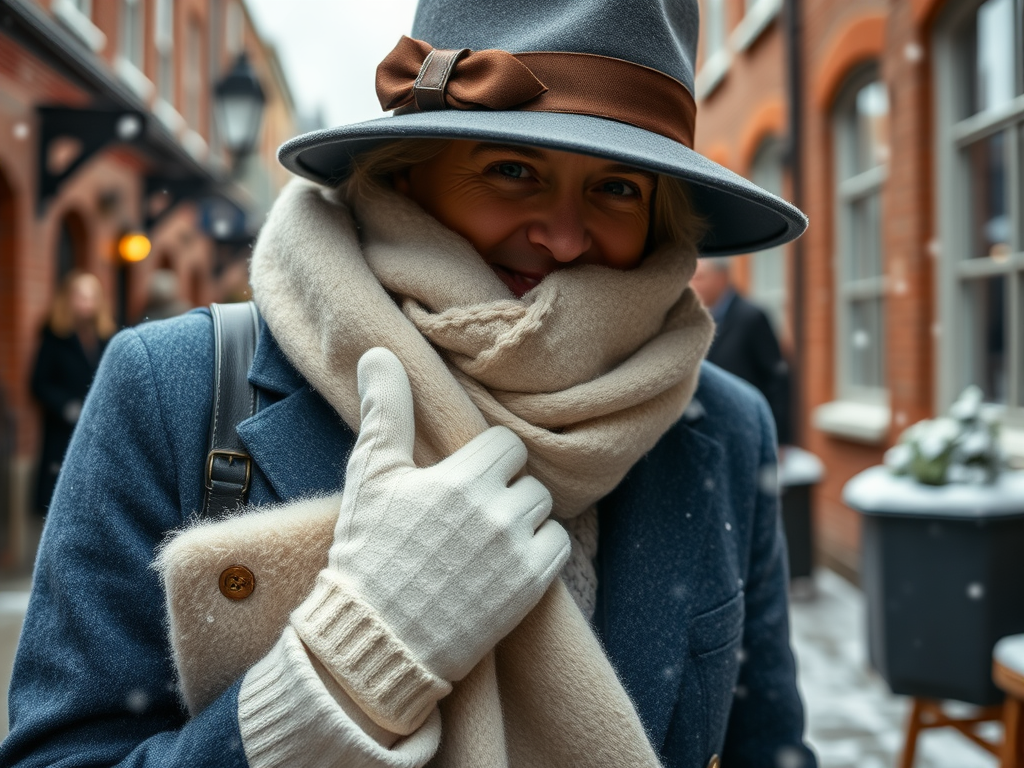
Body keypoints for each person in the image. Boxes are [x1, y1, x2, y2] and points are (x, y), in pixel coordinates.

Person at [1, 2, 817, 767]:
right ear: (404, 172)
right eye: (511, 168)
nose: (565, 237)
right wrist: (352, 667)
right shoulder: (172, 389)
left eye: (615, 187)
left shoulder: (720, 428)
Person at [28, 270, 115, 515]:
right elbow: (38, 383)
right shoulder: (55, 336)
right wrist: (67, 407)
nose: (87, 303)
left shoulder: (107, 337)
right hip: (63, 432)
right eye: (81, 296)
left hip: (98, 431)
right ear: (68, 299)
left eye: (92, 296)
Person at [691, 258, 793, 446]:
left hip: (748, 431)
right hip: (711, 434)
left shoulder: (751, 317)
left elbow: (776, 380)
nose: (692, 285)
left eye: (699, 278)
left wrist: (779, 439)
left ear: (721, 278)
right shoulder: (696, 319)